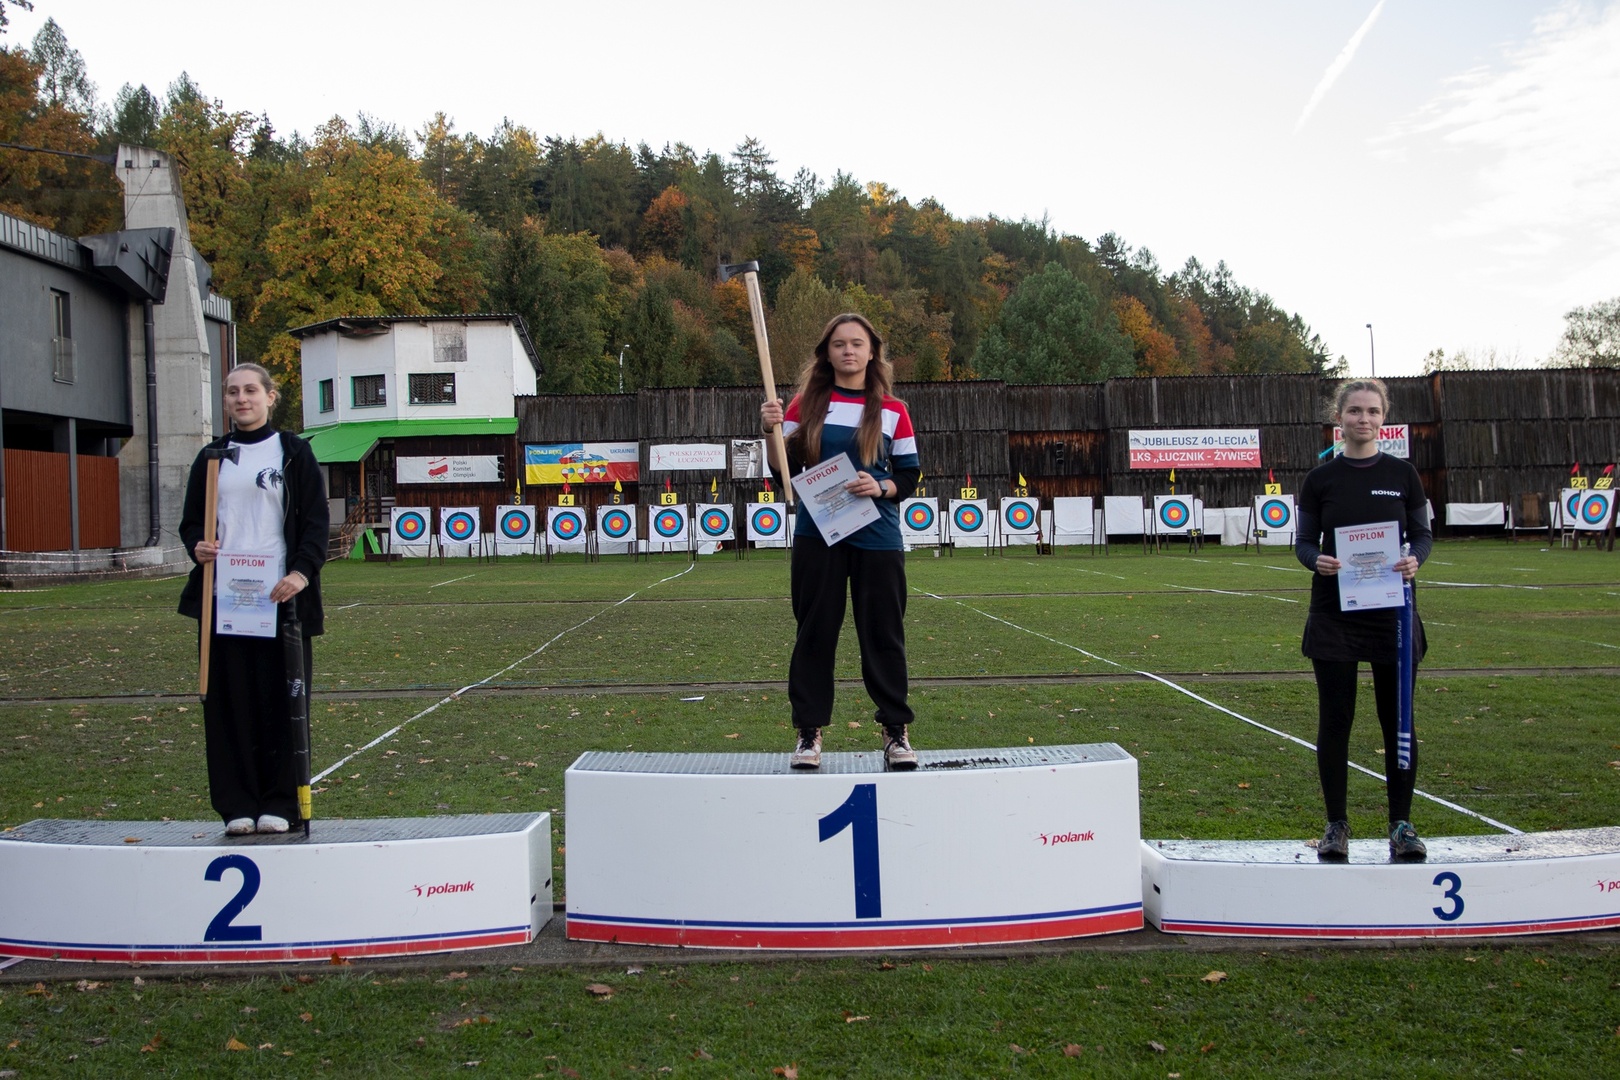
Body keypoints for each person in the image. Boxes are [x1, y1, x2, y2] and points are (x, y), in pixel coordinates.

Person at [760, 313, 921, 771]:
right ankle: (808, 735)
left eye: (857, 343)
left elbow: (909, 474)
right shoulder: (801, 406)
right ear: (826, 352)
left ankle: (895, 731)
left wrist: (882, 487)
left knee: (883, 636)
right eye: (838, 344)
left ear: (872, 352)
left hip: (878, 539)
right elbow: (782, 472)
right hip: (818, 537)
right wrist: (769, 431)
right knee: (814, 634)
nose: (848, 351)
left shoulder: (894, 410)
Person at [179, 364, 328, 835]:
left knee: (280, 703)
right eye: (232, 392)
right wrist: (197, 547)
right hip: (225, 600)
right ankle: (237, 804)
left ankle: (280, 804)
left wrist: (301, 573)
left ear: (270, 397)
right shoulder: (212, 457)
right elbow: (191, 524)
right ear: (225, 401)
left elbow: (315, 523)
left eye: (250, 390)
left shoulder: (292, 452)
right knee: (228, 705)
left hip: (279, 600)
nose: (241, 399)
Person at [1296, 378, 1431, 863]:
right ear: (1340, 417)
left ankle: (1401, 825)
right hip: (1335, 614)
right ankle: (1336, 826)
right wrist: (1318, 561)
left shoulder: (1403, 473)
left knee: (1399, 722)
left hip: (1392, 614)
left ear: (1383, 418)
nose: (1364, 419)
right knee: (1336, 720)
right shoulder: (1319, 479)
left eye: (1373, 411)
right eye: (1355, 410)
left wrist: (1415, 558)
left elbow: (1421, 535)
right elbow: (1304, 542)